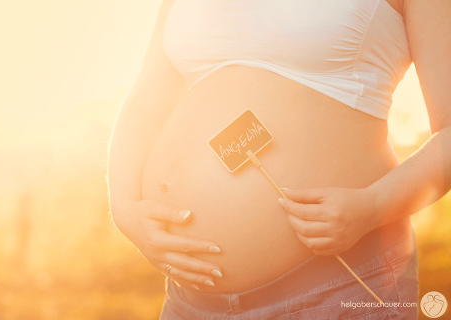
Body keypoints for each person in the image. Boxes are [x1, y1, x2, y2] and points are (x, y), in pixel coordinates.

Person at [107, 0, 451, 319]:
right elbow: (144, 105)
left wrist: (371, 206)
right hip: (190, 301)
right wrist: (123, 207)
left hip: (338, 288)